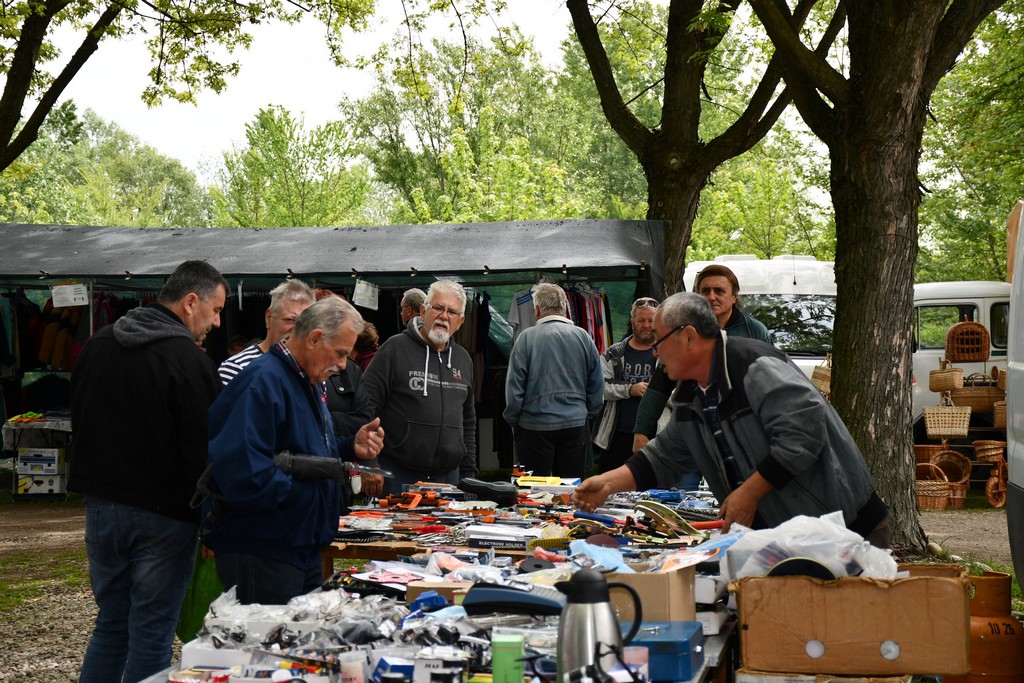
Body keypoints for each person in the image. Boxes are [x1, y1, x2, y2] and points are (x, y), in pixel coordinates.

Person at [573, 292, 890, 547]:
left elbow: (802, 435)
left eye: (658, 340)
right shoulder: (690, 393)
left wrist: (748, 493)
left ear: (688, 337)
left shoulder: (754, 363)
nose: (654, 351)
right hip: (791, 536)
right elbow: (664, 457)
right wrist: (608, 484)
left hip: (846, 527)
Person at [68, 259, 228, 683]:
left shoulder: (98, 344)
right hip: (163, 515)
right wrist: (214, 519)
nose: (216, 322)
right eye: (215, 311)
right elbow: (207, 450)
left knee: (112, 624)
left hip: (102, 509)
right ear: (190, 302)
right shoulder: (188, 361)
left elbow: (78, 422)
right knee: (152, 633)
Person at [203, 297, 385, 604]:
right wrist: (298, 498)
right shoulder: (263, 381)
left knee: (296, 647)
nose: (343, 365)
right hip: (265, 550)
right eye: (340, 353)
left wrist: (347, 446)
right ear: (314, 338)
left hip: (297, 546)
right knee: (268, 650)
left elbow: (299, 449)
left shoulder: (307, 381)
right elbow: (241, 467)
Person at [633, 265, 771, 455]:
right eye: (705, 291)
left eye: (719, 291)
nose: (712, 296)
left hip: (743, 431)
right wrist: (641, 431)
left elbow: (769, 382)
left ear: (734, 296)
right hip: (694, 428)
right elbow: (660, 383)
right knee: (684, 484)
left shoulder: (754, 332)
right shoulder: (682, 331)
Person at [364, 280, 476, 495]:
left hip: (449, 478)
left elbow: (468, 421)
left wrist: (468, 474)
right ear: (423, 311)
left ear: (460, 321)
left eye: (452, 312)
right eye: (438, 308)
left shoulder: (463, 359)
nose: (444, 316)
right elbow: (366, 407)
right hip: (397, 473)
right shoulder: (394, 349)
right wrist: (369, 463)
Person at [503, 282, 603, 478]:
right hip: (575, 424)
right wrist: (583, 413)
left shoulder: (526, 338)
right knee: (570, 491)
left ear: (537, 310)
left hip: (534, 426)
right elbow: (597, 386)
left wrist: (515, 421)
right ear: (565, 307)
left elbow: (514, 390)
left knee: (533, 493)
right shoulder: (583, 337)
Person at [593, 297, 658, 473]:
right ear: (631, 322)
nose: (646, 325)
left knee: (656, 491)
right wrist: (630, 389)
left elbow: (681, 393)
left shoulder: (670, 352)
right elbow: (599, 387)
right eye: (640, 320)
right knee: (611, 488)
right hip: (618, 434)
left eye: (651, 320)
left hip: (657, 435)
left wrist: (656, 392)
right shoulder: (614, 354)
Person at [218, 279, 316, 385]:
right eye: (290, 320)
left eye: (304, 324)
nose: (297, 330)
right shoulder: (236, 368)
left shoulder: (311, 370)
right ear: (269, 318)